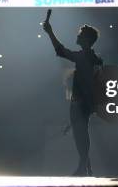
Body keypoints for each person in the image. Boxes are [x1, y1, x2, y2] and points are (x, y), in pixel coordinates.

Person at [43, 18, 103, 176]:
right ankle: (85, 166)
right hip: (84, 102)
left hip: (80, 102)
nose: (78, 35)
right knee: (81, 134)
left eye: (80, 34)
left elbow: (61, 51)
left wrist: (50, 32)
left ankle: (83, 167)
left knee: (80, 135)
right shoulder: (92, 57)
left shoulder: (86, 57)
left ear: (87, 39)